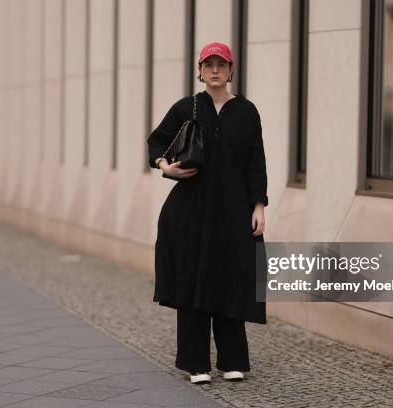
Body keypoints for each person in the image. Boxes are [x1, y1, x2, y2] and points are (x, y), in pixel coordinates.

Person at [146, 42, 269, 384]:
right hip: (189, 211)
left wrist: (258, 205)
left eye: (221, 64)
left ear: (231, 71)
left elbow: (255, 161)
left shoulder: (246, 111)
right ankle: (195, 362)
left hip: (233, 212)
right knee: (192, 279)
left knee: (231, 277)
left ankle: (232, 360)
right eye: (208, 64)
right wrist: (164, 167)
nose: (215, 70)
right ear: (199, 71)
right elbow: (156, 143)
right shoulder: (186, 107)